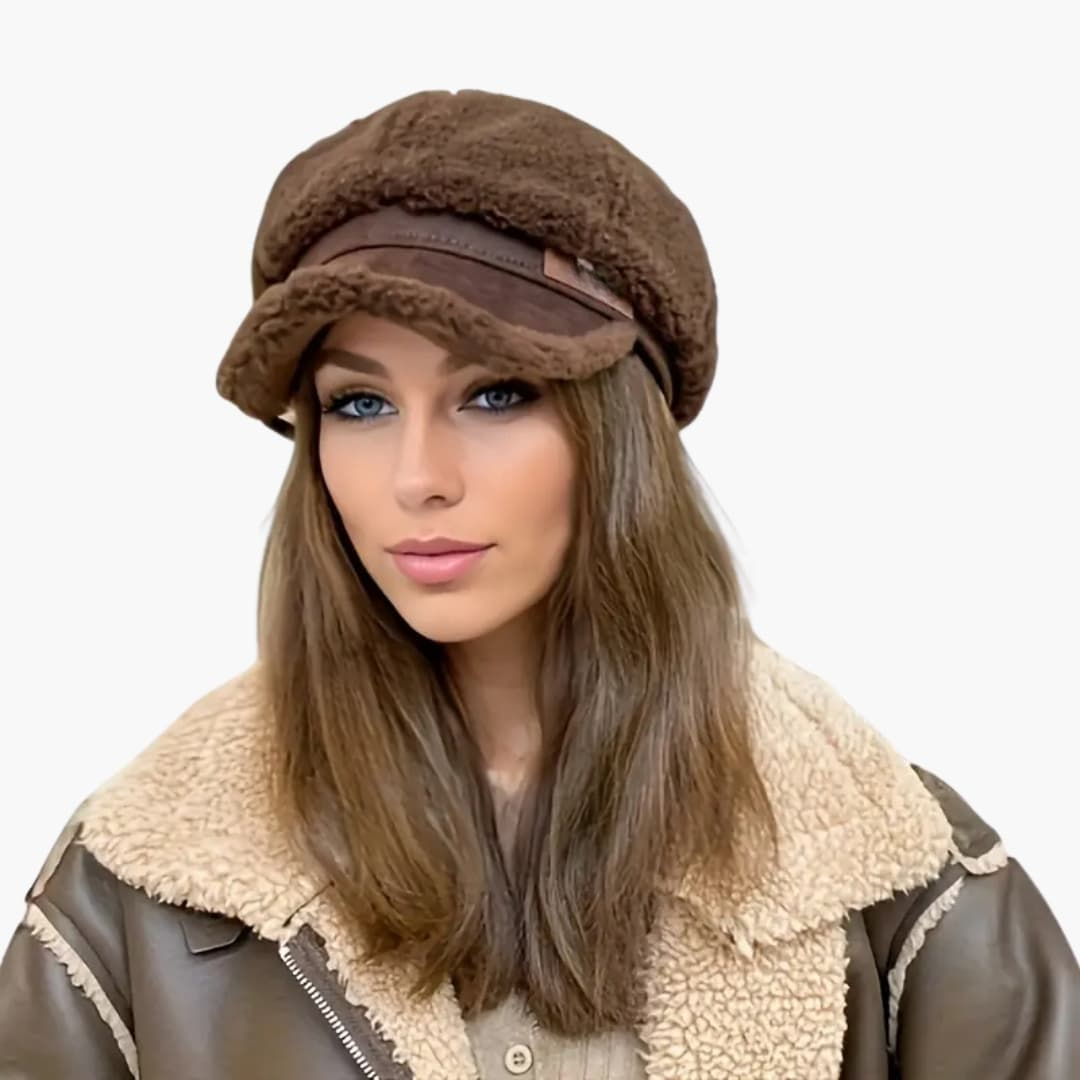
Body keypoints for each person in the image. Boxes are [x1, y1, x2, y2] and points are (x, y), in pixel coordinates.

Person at [0, 88, 1075, 1080]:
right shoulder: (141, 884)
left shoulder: (891, 875)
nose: (418, 477)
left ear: (620, 433)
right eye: (360, 405)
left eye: (497, 392)